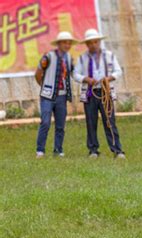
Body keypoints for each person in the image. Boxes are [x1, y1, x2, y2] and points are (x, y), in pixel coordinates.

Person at [73, 29, 125, 158]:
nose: (93, 45)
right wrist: (86, 79)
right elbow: (75, 74)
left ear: (99, 42)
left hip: (105, 92)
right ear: (86, 44)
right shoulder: (82, 58)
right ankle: (93, 150)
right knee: (91, 122)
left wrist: (108, 78)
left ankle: (117, 150)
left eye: (95, 42)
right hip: (90, 93)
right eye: (90, 43)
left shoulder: (109, 56)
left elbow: (118, 71)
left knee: (109, 121)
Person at [35, 31, 77, 158]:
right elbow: (38, 73)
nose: (67, 45)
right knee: (45, 122)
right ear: (59, 44)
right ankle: (40, 150)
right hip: (47, 95)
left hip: (62, 95)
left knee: (60, 124)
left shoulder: (69, 58)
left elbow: (73, 74)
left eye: (69, 43)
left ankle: (58, 149)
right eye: (65, 42)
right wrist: (43, 86)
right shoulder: (48, 56)